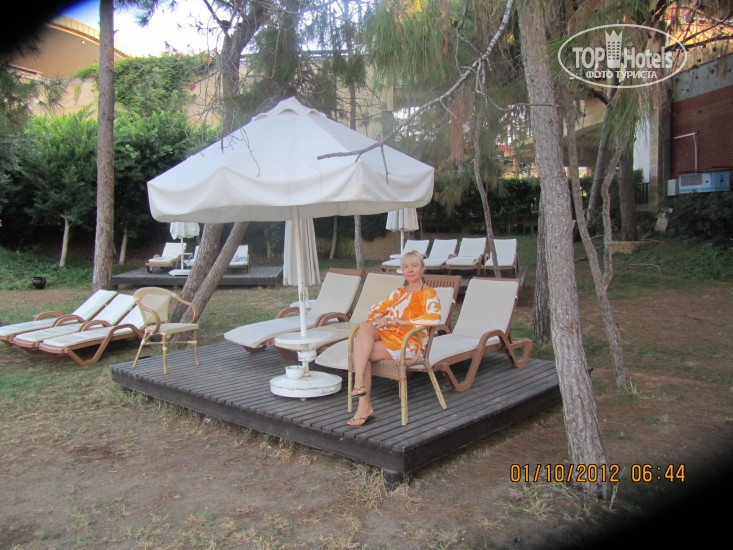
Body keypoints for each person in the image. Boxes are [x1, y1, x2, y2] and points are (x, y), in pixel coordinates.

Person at [347, 250, 442, 427]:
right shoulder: (398, 293)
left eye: (414, 265)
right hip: (389, 336)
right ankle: (360, 384)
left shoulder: (429, 293)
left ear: (422, 268)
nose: (410, 270)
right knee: (365, 326)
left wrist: (404, 321)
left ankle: (363, 404)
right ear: (402, 271)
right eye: (405, 267)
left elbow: (434, 317)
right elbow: (375, 310)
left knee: (360, 355)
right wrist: (379, 319)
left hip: (409, 343)